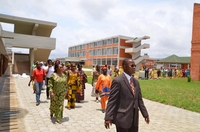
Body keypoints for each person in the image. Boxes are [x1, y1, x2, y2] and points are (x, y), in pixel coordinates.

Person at [104, 58, 150, 132]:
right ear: (124, 66)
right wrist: (108, 117)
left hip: (134, 120)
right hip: (122, 119)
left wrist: (145, 114)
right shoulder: (118, 81)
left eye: (135, 65)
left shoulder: (136, 82)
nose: (134, 67)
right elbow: (112, 100)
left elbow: (139, 100)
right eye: (132, 65)